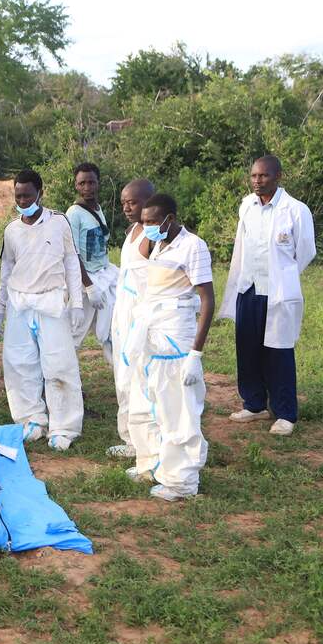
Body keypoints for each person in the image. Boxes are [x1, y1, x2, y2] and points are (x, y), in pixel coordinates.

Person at [124, 194, 214, 501]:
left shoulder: (193, 246)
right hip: (151, 334)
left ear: (170, 219)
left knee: (178, 410)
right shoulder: (157, 244)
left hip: (176, 338)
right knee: (149, 401)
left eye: (151, 221)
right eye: (144, 221)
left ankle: (181, 482)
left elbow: (207, 300)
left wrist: (195, 355)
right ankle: (151, 463)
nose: (146, 226)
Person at [219, 155, 316, 436]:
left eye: (263, 176)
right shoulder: (246, 207)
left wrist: (283, 276)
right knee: (247, 348)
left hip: (277, 293)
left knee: (278, 351)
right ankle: (254, 404)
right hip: (248, 288)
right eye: (253, 176)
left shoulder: (295, 210)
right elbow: (241, 246)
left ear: (278, 176)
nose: (257, 181)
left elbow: (306, 251)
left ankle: (285, 413)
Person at [0, 170, 84, 451]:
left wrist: (77, 303)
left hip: (52, 302)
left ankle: (64, 426)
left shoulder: (59, 223)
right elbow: (7, 269)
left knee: (59, 365)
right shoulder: (12, 230)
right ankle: (31, 419)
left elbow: (71, 262)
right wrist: (0, 308)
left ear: (40, 193)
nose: (23, 200)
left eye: (28, 195)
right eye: (18, 196)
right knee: (19, 365)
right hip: (20, 303)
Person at [106, 179, 155, 458]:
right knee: (123, 377)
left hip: (141, 317)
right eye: (124, 202)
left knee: (140, 378)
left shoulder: (153, 237)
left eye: (133, 202)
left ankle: (144, 442)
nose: (126, 207)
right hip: (122, 313)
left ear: (149, 201)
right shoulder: (132, 230)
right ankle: (129, 438)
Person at [67, 162, 117, 364]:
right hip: (84, 280)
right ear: (76, 186)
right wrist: (89, 286)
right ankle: (64, 383)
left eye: (91, 182)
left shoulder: (98, 208)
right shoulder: (74, 213)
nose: (87, 187)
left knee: (113, 328)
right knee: (74, 334)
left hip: (103, 275)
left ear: (98, 183)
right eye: (82, 183)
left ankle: (122, 377)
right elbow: (72, 253)